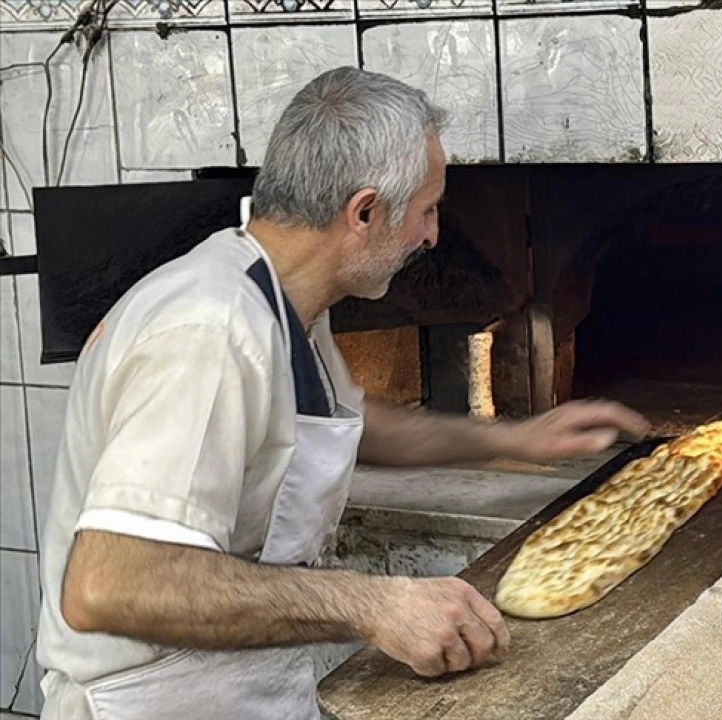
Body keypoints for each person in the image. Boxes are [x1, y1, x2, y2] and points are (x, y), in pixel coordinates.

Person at [34, 66, 650, 720]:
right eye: (427, 209)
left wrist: (513, 439)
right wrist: (373, 604)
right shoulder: (210, 332)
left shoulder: (280, 297)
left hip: (241, 692)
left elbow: (352, 425)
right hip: (150, 705)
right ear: (363, 212)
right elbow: (108, 584)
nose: (433, 235)